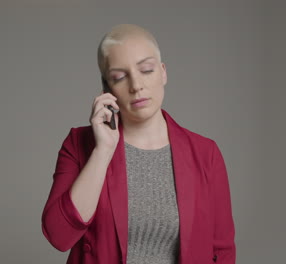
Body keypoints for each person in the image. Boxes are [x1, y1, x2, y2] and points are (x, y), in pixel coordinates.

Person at [41, 24, 235, 264]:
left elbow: (223, 250)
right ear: (106, 88)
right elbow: (59, 236)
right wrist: (102, 152)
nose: (136, 86)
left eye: (146, 70)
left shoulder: (206, 154)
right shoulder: (79, 144)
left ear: (163, 72)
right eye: (119, 77)